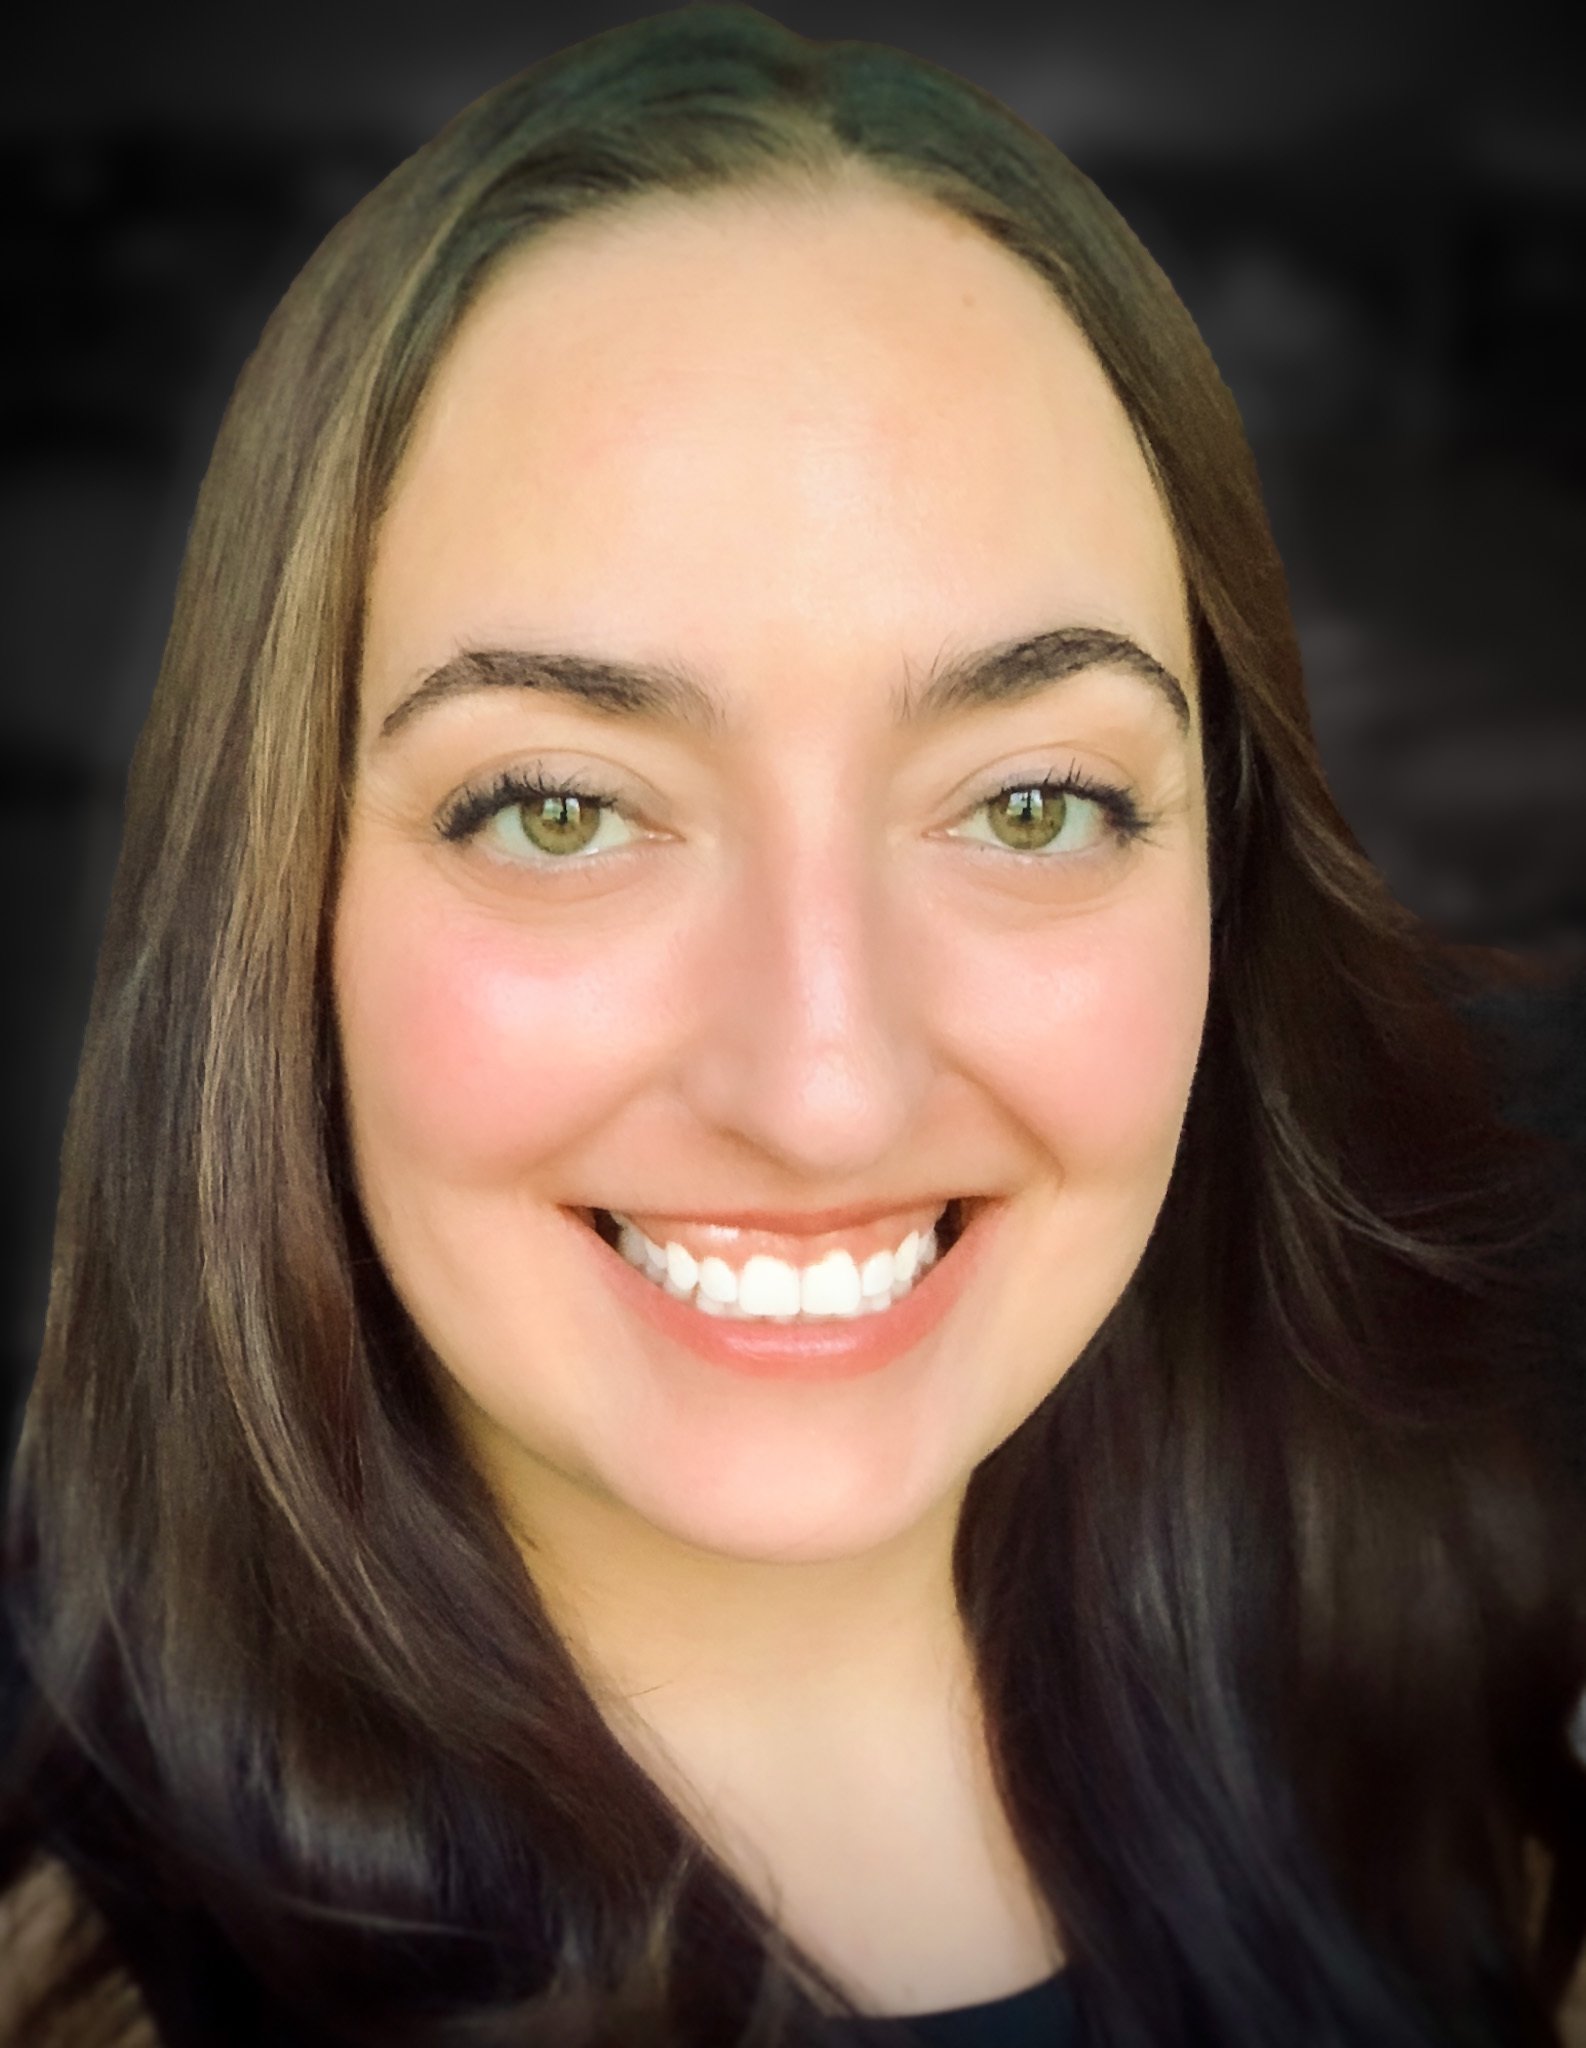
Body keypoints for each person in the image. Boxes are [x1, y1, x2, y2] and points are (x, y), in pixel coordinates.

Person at [2, 6, 1583, 2043]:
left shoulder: (1481, 1754)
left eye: (1032, 804)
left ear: (1226, 882)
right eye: (559, 810)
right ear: (280, 906)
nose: (824, 1088)